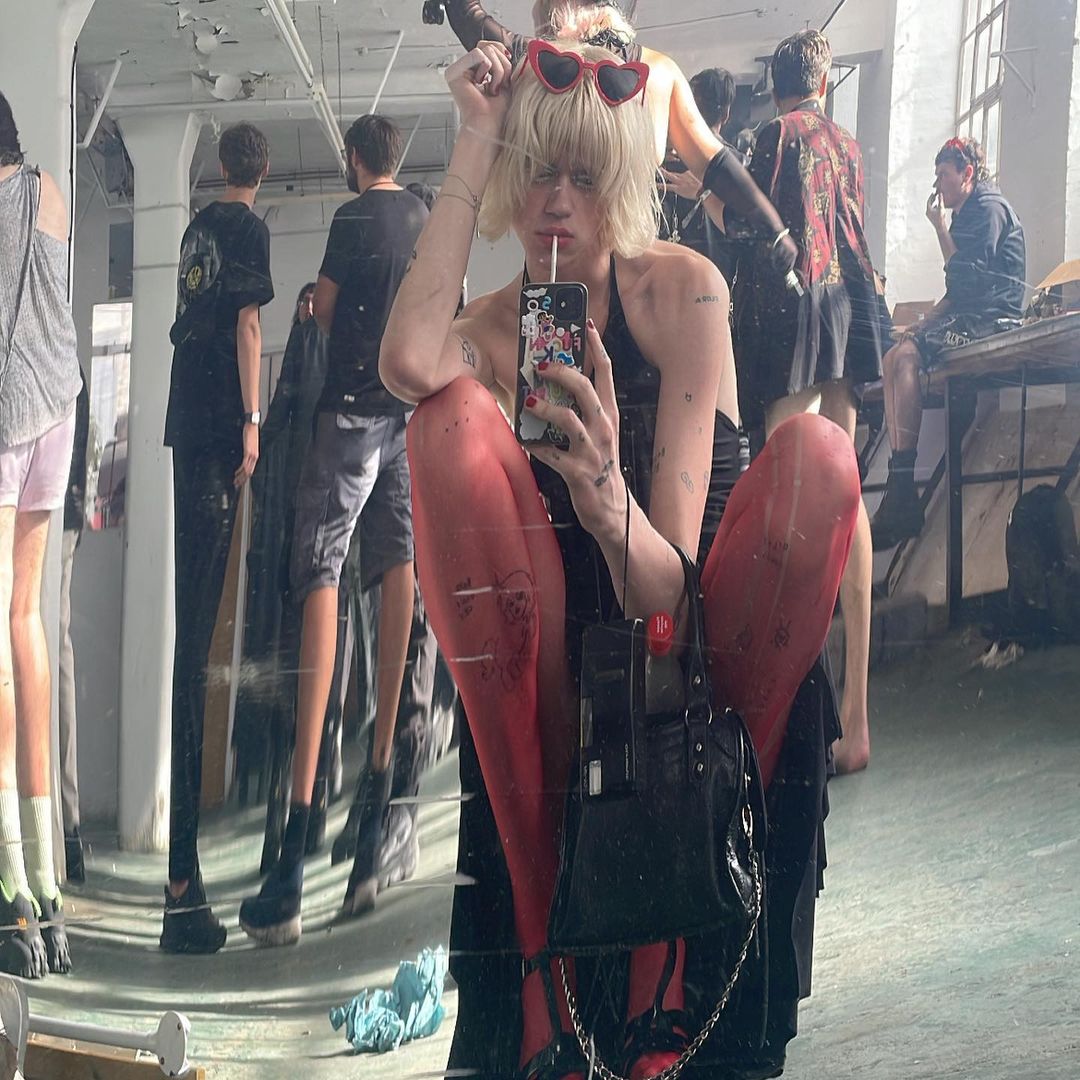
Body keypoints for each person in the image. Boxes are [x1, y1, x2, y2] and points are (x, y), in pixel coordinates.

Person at [379, 40, 861, 1079]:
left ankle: (664, 975)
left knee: (820, 457)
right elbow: (409, 360)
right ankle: (547, 966)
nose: (558, 201)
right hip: (546, 681)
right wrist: (475, 135)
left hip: (690, 658)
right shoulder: (493, 331)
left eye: (586, 176)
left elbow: (669, 592)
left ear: (625, 186)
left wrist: (605, 499)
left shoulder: (684, 295)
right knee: (443, 424)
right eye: (537, 172)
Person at [238, 115, 429, 945]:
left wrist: (325, 309)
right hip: (406, 419)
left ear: (355, 160)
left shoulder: (352, 218)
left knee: (320, 572)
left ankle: (297, 833)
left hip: (349, 416)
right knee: (397, 566)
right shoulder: (422, 214)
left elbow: (324, 313)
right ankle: (378, 804)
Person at [734, 30, 889, 776]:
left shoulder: (775, 136)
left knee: (787, 502)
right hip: (848, 305)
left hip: (792, 314)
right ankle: (855, 721)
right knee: (847, 496)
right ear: (824, 82)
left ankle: (795, 713)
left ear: (777, 83)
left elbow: (749, 225)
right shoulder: (849, 146)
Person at [437, 0, 800, 275]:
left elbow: (470, 17)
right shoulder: (658, 73)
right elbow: (715, 163)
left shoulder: (539, 68)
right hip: (633, 272)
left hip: (555, 274)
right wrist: (774, 228)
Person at [160, 122, 274, 954]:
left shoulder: (196, 227)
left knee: (190, 641)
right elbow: (247, 330)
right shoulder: (247, 228)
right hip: (214, 429)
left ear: (219, 164)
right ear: (259, 173)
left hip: (181, 423)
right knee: (196, 646)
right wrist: (252, 420)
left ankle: (181, 877)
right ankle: (179, 887)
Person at [0, 90, 80, 978]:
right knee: (28, 623)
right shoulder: (49, 191)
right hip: (58, 415)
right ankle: (50, 893)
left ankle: (11, 881)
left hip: (4, 420)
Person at [872, 137, 1027, 549]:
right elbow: (957, 291)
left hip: (993, 321)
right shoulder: (967, 213)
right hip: (972, 316)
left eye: (944, 174)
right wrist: (923, 324)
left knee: (906, 357)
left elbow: (969, 283)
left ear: (967, 173)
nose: (937, 183)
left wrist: (939, 228)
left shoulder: (988, 209)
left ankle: (902, 490)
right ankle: (900, 486)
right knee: (895, 353)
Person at [658, 67, 742, 285]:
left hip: (663, 278)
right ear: (726, 114)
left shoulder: (661, 161)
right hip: (718, 282)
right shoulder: (740, 166)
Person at [59, 372, 90, 885]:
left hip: (33, 503)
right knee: (54, 651)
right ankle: (67, 826)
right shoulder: (70, 367)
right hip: (64, 507)